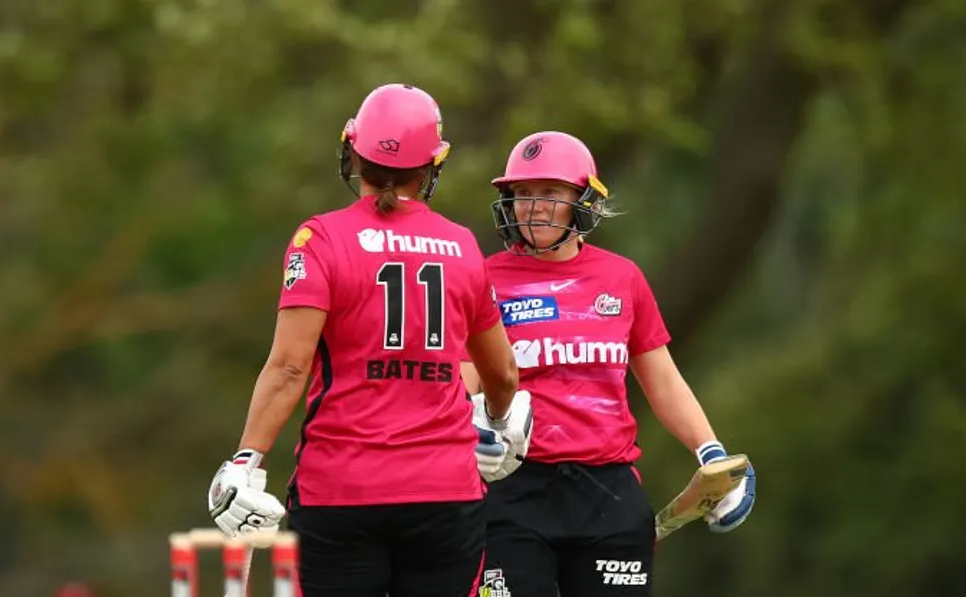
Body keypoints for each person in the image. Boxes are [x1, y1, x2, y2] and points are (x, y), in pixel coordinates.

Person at [206, 84, 533, 597]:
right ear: (433, 165)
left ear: (352, 151)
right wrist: (494, 422)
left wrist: (247, 459)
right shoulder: (463, 246)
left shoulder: (320, 238)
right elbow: (503, 374)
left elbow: (290, 368)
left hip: (339, 491)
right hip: (443, 491)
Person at [462, 131, 757, 597]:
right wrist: (468, 433)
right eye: (523, 194)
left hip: (608, 491)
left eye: (550, 194)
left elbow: (662, 379)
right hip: (513, 493)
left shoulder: (622, 278)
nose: (533, 207)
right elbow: (464, 383)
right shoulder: (482, 278)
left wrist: (712, 453)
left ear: (584, 201)